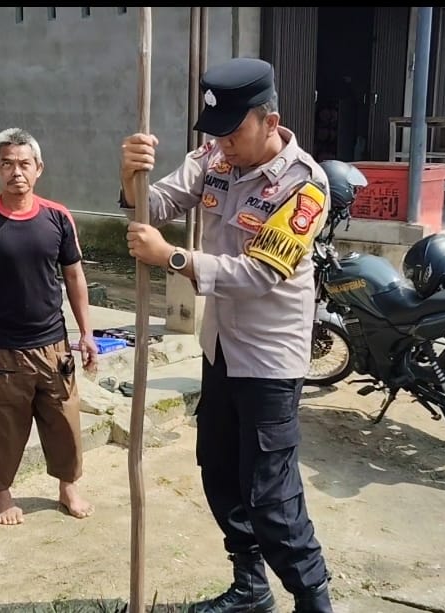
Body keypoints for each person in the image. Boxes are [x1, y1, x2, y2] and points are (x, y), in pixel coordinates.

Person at [119, 58, 335, 613]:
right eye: (216, 133)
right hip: (220, 350)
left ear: (270, 122)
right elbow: (158, 204)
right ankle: (251, 587)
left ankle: (313, 599)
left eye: (234, 132)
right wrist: (131, 177)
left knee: (271, 496)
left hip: (269, 361)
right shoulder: (215, 156)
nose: (223, 144)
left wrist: (173, 258)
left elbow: (260, 274)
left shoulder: (304, 186)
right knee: (218, 472)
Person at [0, 127, 99, 525]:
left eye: (24, 164)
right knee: (1, 425)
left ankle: (68, 486)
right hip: (1, 348)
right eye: (7, 164)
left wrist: (86, 333)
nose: (16, 172)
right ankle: (1, 494)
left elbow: (74, 277)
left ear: (39, 169)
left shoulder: (58, 217)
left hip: (53, 344)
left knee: (64, 420)